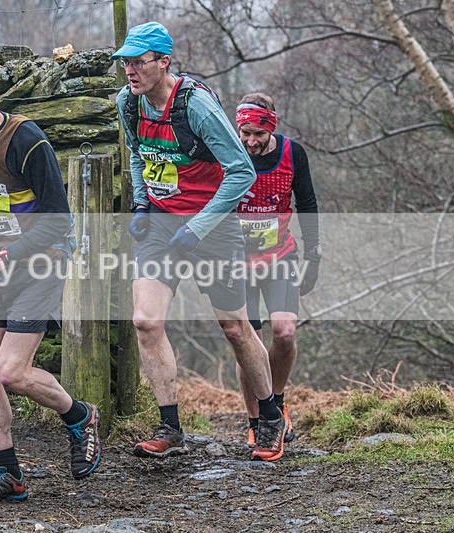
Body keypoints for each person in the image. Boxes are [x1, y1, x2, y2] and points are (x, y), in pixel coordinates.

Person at [113, 23, 288, 461]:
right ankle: (170, 427)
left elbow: (242, 171)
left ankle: (270, 418)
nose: (130, 71)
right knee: (145, 321)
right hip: (159, 226)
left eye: (139, 62)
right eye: (125, 63)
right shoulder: (127, 104)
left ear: (164, 62)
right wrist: (139, 205)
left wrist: (199, 226)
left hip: (212, 227)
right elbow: (138, 154)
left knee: (233, 326)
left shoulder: (197, 107)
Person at [0, 56, 101, 502]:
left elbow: (58, 221)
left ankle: (79, 416)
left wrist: (5, 255)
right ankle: (9, 474)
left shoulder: (26, 141)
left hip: (40, 261)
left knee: (11, 371)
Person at [235, 92, 321, 446]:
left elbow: (308, 202)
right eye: (245, 134)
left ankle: (278, 403)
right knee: (246, 340)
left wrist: (313, 256)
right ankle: (256, 421)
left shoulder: (291, 153)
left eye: (257, 134)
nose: (251, 142)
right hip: (236, 262)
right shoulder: (228, 152)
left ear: (271, 127)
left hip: (280, 255)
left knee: (284, 333)